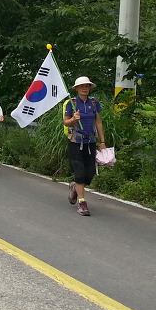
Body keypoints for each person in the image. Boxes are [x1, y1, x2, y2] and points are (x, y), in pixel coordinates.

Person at [63, 76, 106, 216]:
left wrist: (102, 141)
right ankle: (82, 203)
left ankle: (75, 187)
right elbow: (65, 122)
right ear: (76, 88)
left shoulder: (94, 102)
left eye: (87, 86)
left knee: (90, 173)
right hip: (75, 142)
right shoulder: (72, 103)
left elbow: (98, 122)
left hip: (90, 142)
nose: (85, 88)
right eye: (82, 86)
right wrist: (73, 119)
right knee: (80, 173)